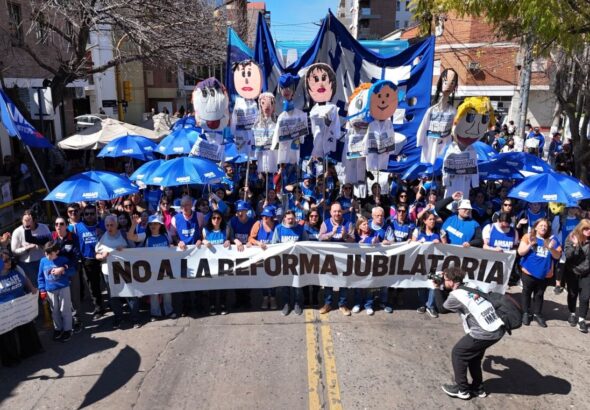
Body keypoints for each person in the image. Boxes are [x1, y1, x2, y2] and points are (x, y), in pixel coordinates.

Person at [434, 266, 505, 400]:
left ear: (451, 281)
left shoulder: (456, 295)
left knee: (458, 353)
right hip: (497, 327)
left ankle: (462, 390)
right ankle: (478, 389)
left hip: (484, 333)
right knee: (474, 357)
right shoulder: (472, 285)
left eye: (445, 280)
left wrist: (436, 287)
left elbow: (441, 308)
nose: (444, 282)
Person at [128, 215, 176, 321]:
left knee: (167, 292)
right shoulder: (146, 236)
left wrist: (172, 247)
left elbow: (171, 245)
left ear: (160, 225)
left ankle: (169, 311)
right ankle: (155, 313)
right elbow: (131, 237)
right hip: (152, 269)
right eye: (151, 224)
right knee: (154, 293)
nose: (153, 226)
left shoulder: (165, 234)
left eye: (155, 224)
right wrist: (133, 225)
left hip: (165, 268)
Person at [0, 250, 43, 367]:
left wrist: (32, 288)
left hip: (21, 305)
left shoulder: (16, 269)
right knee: (7, 334)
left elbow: (25, 279)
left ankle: (30, 350)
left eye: (10, 259)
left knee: (26, 326)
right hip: (5, 311)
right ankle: (11, 359)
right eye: (6, 261)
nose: (10, 262)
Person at [518, 218, 562, 327]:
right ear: (536, 227)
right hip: (528, 271)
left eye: (545, 226)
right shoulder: (528, 236)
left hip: (544, 274)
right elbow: (520, 252)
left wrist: (551, 248)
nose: (543, 227)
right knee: (526, 292)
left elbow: (558, 256)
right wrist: (530, 245)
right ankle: (525, 313)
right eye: (541, 225)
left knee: (539, 294)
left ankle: (537, 314)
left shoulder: (553, 240)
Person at [95, 215, 137, 328]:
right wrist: (102, 256)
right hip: (108, 272)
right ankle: (118, 318)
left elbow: (134, 250)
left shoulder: (124, 234)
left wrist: (124, 250)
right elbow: (97, 255)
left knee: (130, 294)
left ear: (117, 224)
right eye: (107, 225)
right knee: (113, 296)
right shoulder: (102, 237)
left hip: (124, 269)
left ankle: (135, 318)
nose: (109, 227)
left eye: (112, 225)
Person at [319, 202, 354, 315]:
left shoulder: (348, 224)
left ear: (342, 212)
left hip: (344, 257)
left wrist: (345, 236)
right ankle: (327, 304)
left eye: (339, 211)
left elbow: (353, 241)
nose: (337, 213)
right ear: (330, 212)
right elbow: (320, 238)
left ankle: (342, 304)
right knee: (328, 281)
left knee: (343, 281)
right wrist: (331, 233)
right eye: (334, 211)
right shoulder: (325, 223)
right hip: (329, 257)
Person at [38, 241, 76, 342]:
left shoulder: (63, 260)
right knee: (54, 311)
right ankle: (58, 329)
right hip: (50, 290)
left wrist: (63, 270)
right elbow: (41, 277)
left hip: (63, 288)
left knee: (65, 309)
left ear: (57, 252)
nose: (47, 256)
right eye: (46, 253)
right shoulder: (43, 261)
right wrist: (42, 290)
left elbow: (72, 271)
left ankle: (68, 329)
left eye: (50, 253)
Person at [272, 210, 308, 315]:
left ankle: (297, 303)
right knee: (285, 285)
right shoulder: (278, 229)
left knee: (297, 286)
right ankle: (286, 304)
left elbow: (305, 243)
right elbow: (274, 244)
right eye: (289, 218)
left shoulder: (300, 229)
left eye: (292, 218)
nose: (291, 220)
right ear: (284, 218)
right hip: (284, 262)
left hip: (297, 262)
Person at [412, 210, 447, 317]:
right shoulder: (417, 231)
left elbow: (447, 247)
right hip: (421, 262)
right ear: (424, 221)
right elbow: (412, 246)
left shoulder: (440, 232)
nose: (432, 221)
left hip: (436, 263)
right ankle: (422, 304)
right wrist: (418, 243)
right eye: (430, 219)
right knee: (421, 283)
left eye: (434, 219)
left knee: (434, 283)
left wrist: (440, 244)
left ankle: (430, 306)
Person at [73, 204, 105, 319]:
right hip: (88, 259)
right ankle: (98, 308)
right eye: (87, 214)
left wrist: (102, 232)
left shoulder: (102, 224)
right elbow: (74, 243)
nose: (90, 216)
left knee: (108, 283)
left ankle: (115, 303)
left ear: (96, 214)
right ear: (83, 215)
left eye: (92, 213)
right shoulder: (78, 227)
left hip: (103, 257)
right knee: (93, 285)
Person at [11, 210, 51, 289]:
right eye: (25, 220)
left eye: (29, 220)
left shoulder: (43, 227)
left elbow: (51, 243)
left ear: (34, 220)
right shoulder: (17, 232)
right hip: (27, 264)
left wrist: (42, 245)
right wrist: (26, 248)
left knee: (47, 282)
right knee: (35, 286)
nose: (26, 223)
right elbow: (14, 251)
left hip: (43, 260)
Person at [202, 210, 231, 315]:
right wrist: (204, 241)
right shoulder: (206, 230)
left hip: (223, 262)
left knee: (223, 284)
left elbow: (229, 241)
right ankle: (212, 305)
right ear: (210, 219)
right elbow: (200, 241)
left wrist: (228, 242)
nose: (216, 220)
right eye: (214, 218)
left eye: (218, 218)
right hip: (210, 263)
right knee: (212, 285)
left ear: (222, 219)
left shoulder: (226, 229)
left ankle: (223, 304)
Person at [248, 206, 278, 310]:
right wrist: (258, 243)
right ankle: (265, 297)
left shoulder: (277, 226)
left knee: (273, 277)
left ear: (272, 217)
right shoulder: (258, 224)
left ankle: (273, 298)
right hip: (261, 256)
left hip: (274, 256)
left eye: (268, 216)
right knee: (263, 277)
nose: (265, 218)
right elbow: (250, 238)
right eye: (264, 215)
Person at [564, 219, 590, 333]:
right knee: (572, 293)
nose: (588, 231)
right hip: (572, 271)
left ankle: (582, 320)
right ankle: (572, 313)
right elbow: (568, 256)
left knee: (585, 296)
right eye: (586, 229)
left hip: (587, 272)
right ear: (580, 228)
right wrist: (575, 245)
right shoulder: (571, 237)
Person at [352, 216, 379, 315]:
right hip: (358, 264)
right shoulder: (355, 235)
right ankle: (357, 304)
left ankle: (369, 305)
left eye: (367, 223)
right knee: (358, 286)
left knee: (369, 285)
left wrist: (376, 241)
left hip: (370, 264)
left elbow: (378, 242)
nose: (367, 226)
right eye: (364, 224)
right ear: (359, 226)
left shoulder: (374, 233)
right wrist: (358, 244)